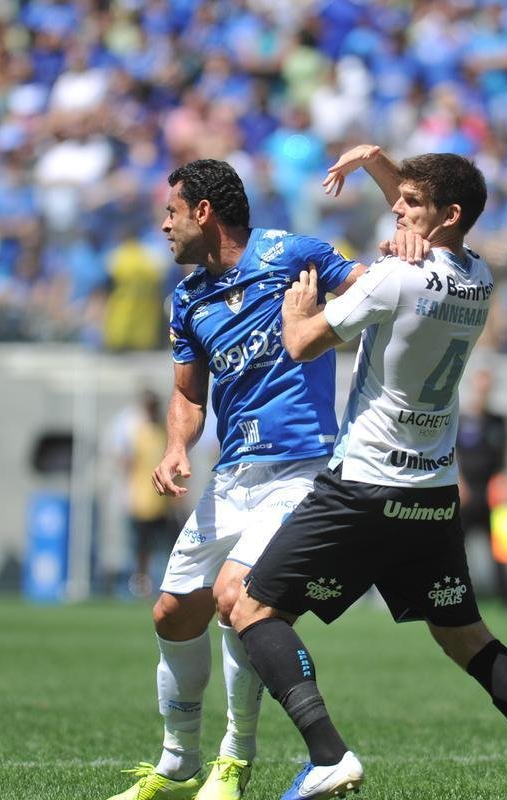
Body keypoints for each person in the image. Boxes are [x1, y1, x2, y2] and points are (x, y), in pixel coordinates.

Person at [230, 148, 507, 800]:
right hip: (430, 492)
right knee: (465, 637)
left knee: (251, 610)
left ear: (447, 216)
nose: (396, 208)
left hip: (364, 487)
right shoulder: (480, 277)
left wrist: (296, 307)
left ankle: (327, 755)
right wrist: (378, 162)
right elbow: (431, 227)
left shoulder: (396, 279)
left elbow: (302, 344)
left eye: (410, 205)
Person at [108, 159, 368, 800]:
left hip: (303, 469)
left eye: (171, 211)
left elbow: (373, 287)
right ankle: (178, 762)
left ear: (203, 212)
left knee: (237, 595)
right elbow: (188, 395)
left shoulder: (293, 254)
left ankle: (235, 759)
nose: (163, 224)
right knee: (172, 613)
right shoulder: (188, 299)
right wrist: (175, 447)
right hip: (232, 478)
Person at [456, 365, 507, 606]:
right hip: (466, 492)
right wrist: (459, 483)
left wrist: (502, 481)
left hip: (490, 493)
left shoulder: (498, 422)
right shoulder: (461, 420)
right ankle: (459, 598)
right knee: (458, 549)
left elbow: (504, 458)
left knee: (499, 550)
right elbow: (451, 454)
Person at [121, 389, 178, 598]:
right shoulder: (138, 432)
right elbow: (127, 463)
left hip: (163, 502)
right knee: (141, 548)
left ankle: (169, 584)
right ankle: (140, 585)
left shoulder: (165, 432)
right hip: (142, 500)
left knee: (170, 546)